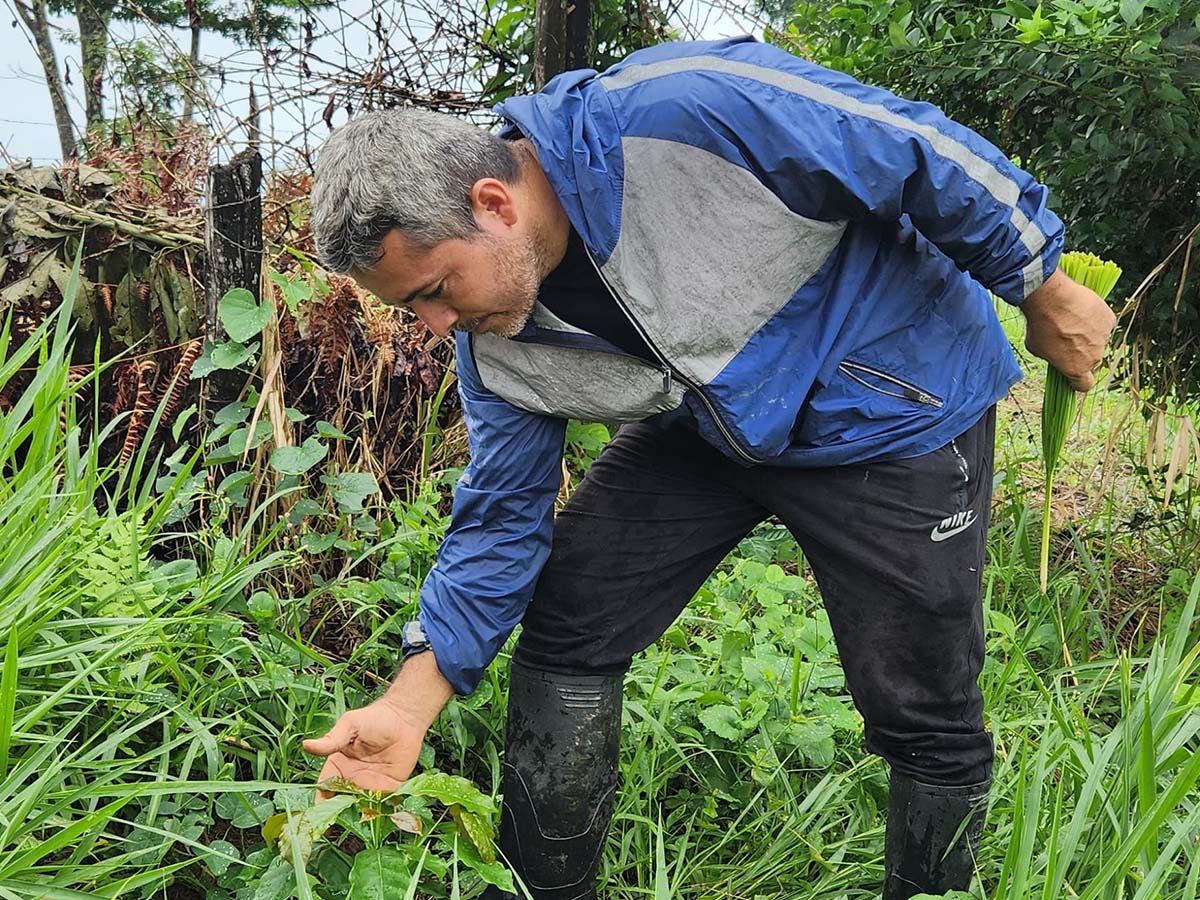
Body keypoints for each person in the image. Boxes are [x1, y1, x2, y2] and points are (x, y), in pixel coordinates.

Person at [301, 35, 1115, 899]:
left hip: (895, 405)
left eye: (432, 290)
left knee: (924, 708)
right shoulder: (494, 346)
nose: (433, 326)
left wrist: (1042, 284)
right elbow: (501, 518)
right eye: (409, 307)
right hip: (718, 424)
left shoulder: (683, 110)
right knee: (572, 612)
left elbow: (911, 147)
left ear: (493, 202)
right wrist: (406, 704)